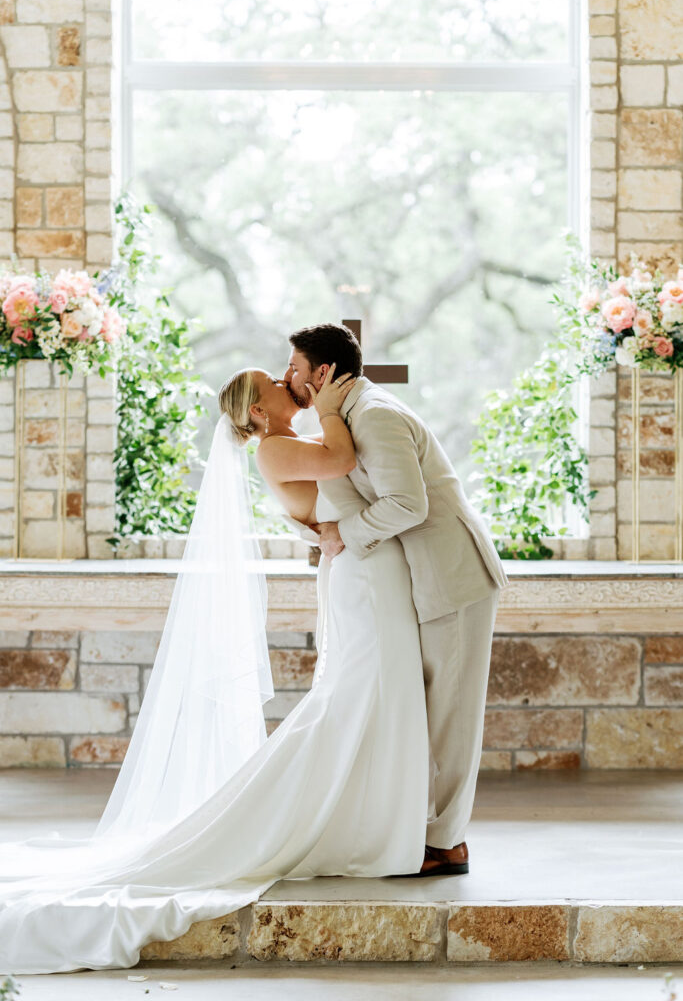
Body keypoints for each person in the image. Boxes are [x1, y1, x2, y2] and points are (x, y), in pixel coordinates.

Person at [0, 361, 431, 974]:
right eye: (276, 384)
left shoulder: (288, 441)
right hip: (360, 573)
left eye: (291, 376)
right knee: (348, 699)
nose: (288, 385)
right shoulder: (278, 449)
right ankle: (314, 820)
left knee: (365, 697)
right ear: (257, 412)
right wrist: (333, 407)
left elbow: (334, 487)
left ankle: (366, 816)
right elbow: (339, 462)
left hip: (360, 565)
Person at [283, 324, 508, 876]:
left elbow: (407, 504)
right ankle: (422, 831)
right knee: (428, 711)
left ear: (324, 372)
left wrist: (344, 535)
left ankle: (448, 844)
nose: (288, 376)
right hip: (425, 576)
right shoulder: (351, 415)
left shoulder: (375, 414)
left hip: (454, 576)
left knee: (452, 716)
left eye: (294, 366)